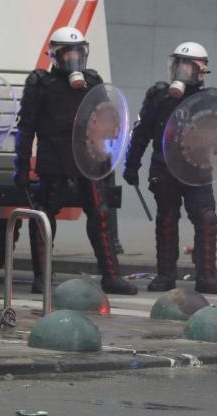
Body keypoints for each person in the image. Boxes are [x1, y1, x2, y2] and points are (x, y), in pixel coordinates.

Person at [13, 27, 136, 295]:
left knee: (100, 213)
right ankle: (42, 277)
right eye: (68, 54)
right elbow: (26, 126)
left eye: (78, 53)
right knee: (45, 214)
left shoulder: (92, 81)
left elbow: (105, 120)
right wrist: (21, 165)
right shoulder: (41, 83)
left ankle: (111, 276)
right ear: (56, 55)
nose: (73, 60)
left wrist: (106, 154)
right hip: (53, 155)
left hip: (85, 156)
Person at [123, 42, 217, 294]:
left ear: (200, 71)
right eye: (179, 65)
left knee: (205, 218)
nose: (182, 72)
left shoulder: (209, 99)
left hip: (196, 168)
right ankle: (166, 275)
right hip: (164, 168)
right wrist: (131, 163)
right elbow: (143, 131)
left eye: (188, 67)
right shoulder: (159, 96)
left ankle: (207, 276)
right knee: (166, 219)